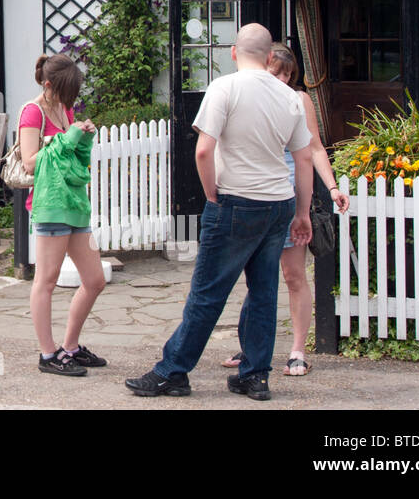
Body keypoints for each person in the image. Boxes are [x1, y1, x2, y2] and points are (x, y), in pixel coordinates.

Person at [126, 23, 313, 402]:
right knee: (264, 292)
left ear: (233, 52)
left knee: (208, 292)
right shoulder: (290, 97)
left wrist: (211, 193)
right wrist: (303, 212)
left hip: (235, 200)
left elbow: (203, 151)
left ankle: (173, 371)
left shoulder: (223, 88)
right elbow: (303, 157)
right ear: (268, 57)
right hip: (278, 202)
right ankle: (255, 375)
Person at [220, 43, 350, 376]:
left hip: (291, 198)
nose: (280, 77)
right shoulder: (245, 95)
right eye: (275, 70)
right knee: (256, 278)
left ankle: (297, 351)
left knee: (293, 276)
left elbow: (315, 148)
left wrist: (332, 188)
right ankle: (251, 348)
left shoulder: (298, 100)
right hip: (255, 195)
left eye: (287, 74)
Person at [21, 53, 107, 377]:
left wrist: (81, 135)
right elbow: (30, 161)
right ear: (48, 85)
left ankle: (70, 347)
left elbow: (69, 153)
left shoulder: (65, 107)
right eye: (66, 92)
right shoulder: (32, 112)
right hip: (49, 205)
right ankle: (48, 354)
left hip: (75, 204)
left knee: (95, 280)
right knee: (46, 280)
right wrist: (65, 139)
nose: (72, 101)